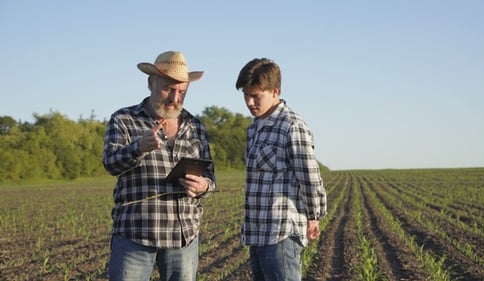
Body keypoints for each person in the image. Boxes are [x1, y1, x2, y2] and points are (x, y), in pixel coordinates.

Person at [102, 51, 216, 281]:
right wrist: (138, 147)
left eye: (181, 91)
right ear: (150, 83)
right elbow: (111, 164)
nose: (175, 97)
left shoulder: (195, 127)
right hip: (135, 235)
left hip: (183, 238)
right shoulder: (124, 119)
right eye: (168, 89)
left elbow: (210, 178)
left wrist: (203, 186)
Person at [235, 58, 327, 281]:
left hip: (280, 235)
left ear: (275, 91)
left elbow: (310, 178)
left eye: (256, 96)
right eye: (246, 95)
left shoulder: (292, 126)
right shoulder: (254, 128)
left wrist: (314, 216)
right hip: (256, 233)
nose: (249, 102)